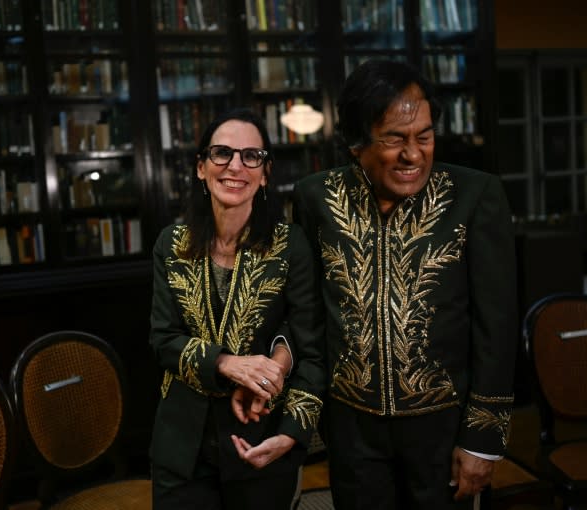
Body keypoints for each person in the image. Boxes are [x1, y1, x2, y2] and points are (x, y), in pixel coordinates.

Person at [292, 59, 518, 509]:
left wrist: (482, 439)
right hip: (351, 432)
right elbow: (308, 316)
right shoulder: (315, 197)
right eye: (395, 139)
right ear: (357, 143)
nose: (413, 155)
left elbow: (497, 327)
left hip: (443, 432)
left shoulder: (474, 196)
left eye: (425, 136)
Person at [149, 108, 325, 510]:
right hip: (182, 445)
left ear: (264, 174)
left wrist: (293, 433)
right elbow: (163, 340)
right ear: (200, 167)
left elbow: (311, 345)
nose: (235, 166)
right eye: (222, 153)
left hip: (261, 437)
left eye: (251, 156)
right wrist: (227, 363)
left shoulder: (291, 244)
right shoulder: (171, 244)